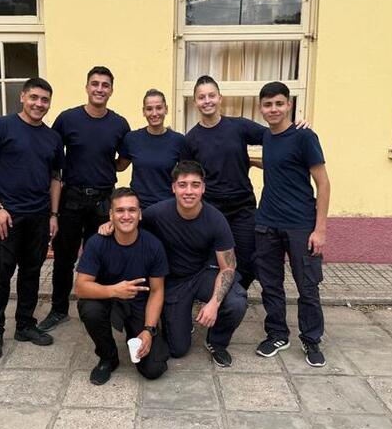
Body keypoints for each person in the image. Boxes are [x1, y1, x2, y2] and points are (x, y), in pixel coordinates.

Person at [185, 75, 308, 289]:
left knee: (250, 260)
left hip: (243, 209)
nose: (207, 101)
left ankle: (237, 294)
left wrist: (296, 126)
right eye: (201, 97)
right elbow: (188, 176)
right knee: (214, 260)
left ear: (220, 98)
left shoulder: (239, 127)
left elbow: (275, 136)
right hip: (211, 210)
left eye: (211, 95)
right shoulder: (191, 139)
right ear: (195, 102)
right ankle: (223, 299)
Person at [0, 78, 64, 360]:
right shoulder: (2, 126)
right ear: (23, 97)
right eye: (34, 97)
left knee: (31, 273)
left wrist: (53, 214)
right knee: (0, 275)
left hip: (38, 217)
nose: (39, 104)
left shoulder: (52, 138)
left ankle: (25, 325)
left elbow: (55, 179)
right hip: (7, 217)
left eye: (44, 100)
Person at [38, 66, 131, 333]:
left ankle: (101, 307)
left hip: (103, 200)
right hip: (71, 199)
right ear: (87, 87)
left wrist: (101, 167)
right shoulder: (67, 119)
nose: (100, 89)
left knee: (103, 255)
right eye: (95, 84)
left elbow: (123, 162)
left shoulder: (119, 124)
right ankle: (58, 310)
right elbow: (54, 159)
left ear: (112, 90)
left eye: (105, 85)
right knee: (64, 257)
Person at [139, 160, 247, 367]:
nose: (189, 191)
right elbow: (129, 221)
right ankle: (175, 319)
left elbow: (228, 268)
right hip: (173, 282)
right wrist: (110, 224)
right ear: (173, 188)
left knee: (236, 301)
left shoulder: (216, 219)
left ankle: (217, 342)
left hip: (202, 274)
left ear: (203, 188)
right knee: (178, 350)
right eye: (183, 185)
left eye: (195, 185)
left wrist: (214, 304)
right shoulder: (157, 213)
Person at [253, 81, 331, 367]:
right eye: (267, 104)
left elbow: (323, 183)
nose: (273, 109)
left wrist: (320, 229)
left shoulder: (304, 137)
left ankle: (311, 340)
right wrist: (251, 161)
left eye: (278, 103)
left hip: (300, 225)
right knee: (270, 284)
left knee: (307, 286)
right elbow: (279, 164)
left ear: (289, 105)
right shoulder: (267, 137)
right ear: (261, 108)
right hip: (267, 223)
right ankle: (277, 334)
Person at [75, 188, 169, 385]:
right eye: (120, 211)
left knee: (154, 369)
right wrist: (114, 290)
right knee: (89, 307)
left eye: (132, 210)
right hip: (109, 300)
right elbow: (81, 287)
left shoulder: (153, 246)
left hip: (139, 305)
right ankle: (108, 357)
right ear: (111, 215)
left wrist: (148, 330)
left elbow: (158, 291)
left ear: (140, 214)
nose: (126, 216)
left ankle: (139, 333)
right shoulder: (97, 242)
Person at [116, 89, 188, 209]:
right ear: (143, 112)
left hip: (167, 208)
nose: (154, 113)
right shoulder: (132, 139)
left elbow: (185, 176)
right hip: (138, 208)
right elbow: (120, 166)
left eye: (159, 108)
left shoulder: (178, 140)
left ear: (166, 109)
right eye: (149, 109)